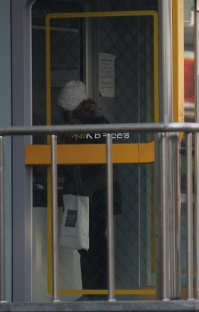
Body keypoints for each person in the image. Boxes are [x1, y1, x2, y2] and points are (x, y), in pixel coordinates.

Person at [58, 80, 121, 300]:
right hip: (98, 196)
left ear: (71, 108)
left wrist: (87, 188)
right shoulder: (93, 123)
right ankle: (97, 294)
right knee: (94, 245)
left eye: (64, 110)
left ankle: (95, 295)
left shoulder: (91, 127)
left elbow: (103, 167)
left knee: (91, 247)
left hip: (94, 196)